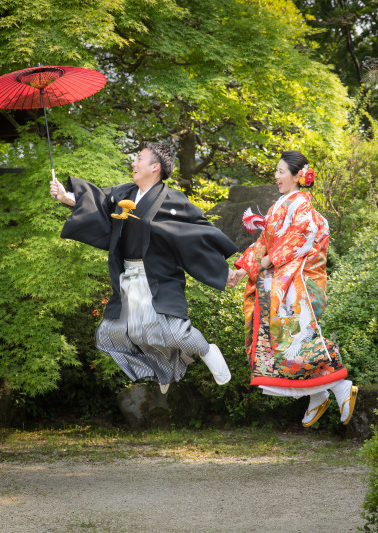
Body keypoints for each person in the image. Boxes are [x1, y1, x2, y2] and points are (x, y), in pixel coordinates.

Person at [50, 142, 239, 393]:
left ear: (155, 167)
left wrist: (223, 270)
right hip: (129, 274)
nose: (134, 163)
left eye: (139, 158)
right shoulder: (124, 193)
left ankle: (207, 351)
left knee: (174, 333)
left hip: (159, 277)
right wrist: (66, 196)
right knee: (114, 335)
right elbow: (97, 201)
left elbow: (197, 234)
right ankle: (162, 370)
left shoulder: (173, 200)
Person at [227, 151, 357, 427]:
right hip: (277, 284)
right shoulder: (280, 205)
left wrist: (266, 262)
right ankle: (318, 394)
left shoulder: (302, 205)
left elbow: (298, 238)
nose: (276, 177)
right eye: (275, 171)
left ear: (298, 176)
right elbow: (264, 241)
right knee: (278, 346)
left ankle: (340, 386)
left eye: (281, 171)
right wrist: (243, 270)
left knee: (294, 341)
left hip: (296, 286)